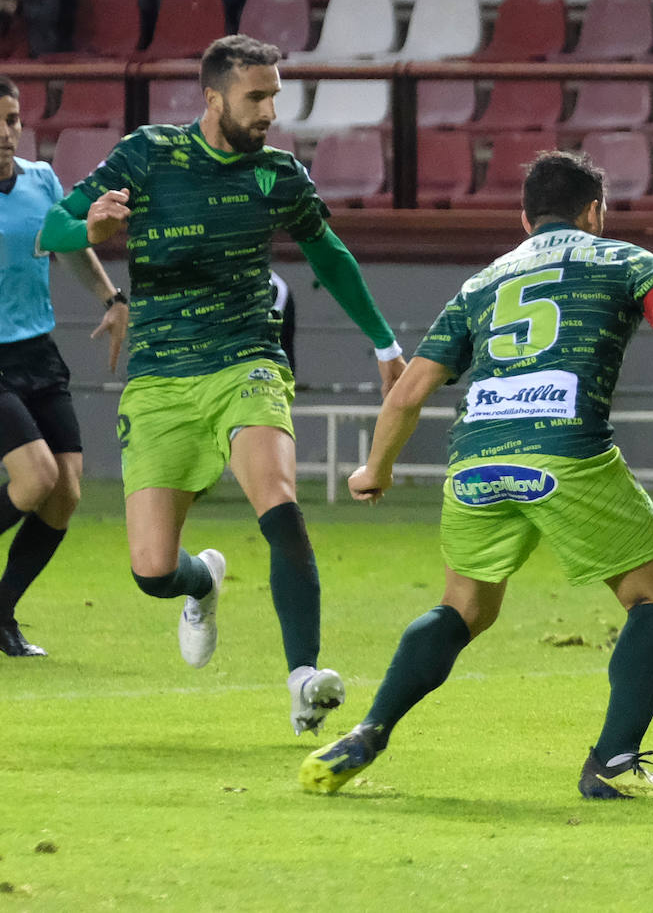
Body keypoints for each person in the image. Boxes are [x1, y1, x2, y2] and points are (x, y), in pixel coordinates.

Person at [298, 150, 653, 798]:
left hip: (475, 460)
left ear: (524, 219)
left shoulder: (482, 283)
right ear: (595, 212)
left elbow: (410, 390)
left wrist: (375, 468)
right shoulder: (625, 261)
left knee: (463, 607)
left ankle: (370, 729)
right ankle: (612, 763)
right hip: (565, 455)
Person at [38, 35, 407, 733]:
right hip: (160, 377)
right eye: (256, 97)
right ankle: (201, 580)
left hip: (247, 359)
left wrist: (385, 341)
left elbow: (329, 255)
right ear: (213, 98)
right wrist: (87, 222)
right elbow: (52, 229)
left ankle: (303, 676)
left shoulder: (279, 174)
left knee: (278, 495)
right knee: (151, 569)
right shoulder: (148, 155)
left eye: (274, 95)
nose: (270, 110)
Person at [1, 74, 127, 656]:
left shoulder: (40, 179)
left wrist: (111, 299)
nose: (5, 134)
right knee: (35, 478)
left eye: (12, 121)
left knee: (66, 492)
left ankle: (1, 613)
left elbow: (71, 243)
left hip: (37, 352)